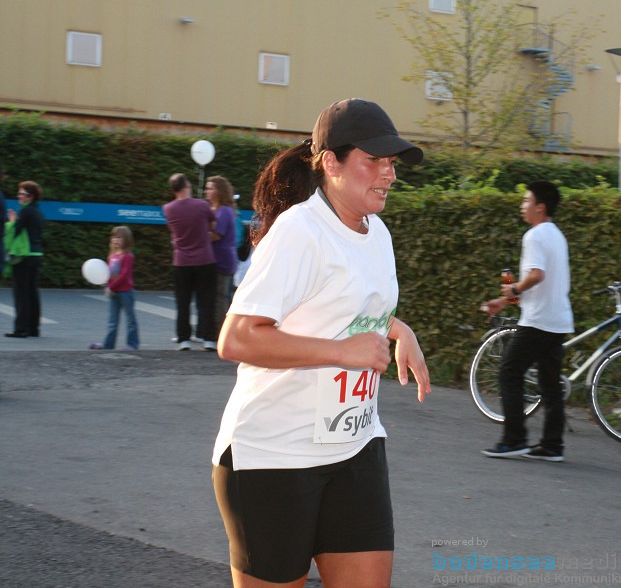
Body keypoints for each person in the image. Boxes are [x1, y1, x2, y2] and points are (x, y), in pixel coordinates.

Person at [211, 98, 430, 588]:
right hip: (274, 456)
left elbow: (347, 303)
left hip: (354, 445)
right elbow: (237, 337)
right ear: (331, 161)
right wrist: (341, 352)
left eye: (391, 162)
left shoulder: (378, 233)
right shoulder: (298, 232)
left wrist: (399, 330)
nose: (388, 173)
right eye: (373, 160)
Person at [480, 180, 574, 462]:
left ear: (540, 207)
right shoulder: (556, 235)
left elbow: (536, 275)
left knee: (509, 373)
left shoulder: (534, 236)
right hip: (558, 319)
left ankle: (514, 439)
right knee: (549, 384)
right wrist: (506, 299)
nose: (522, 206)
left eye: (526, 201)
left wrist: (515, 290)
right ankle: (552, 446)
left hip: (538, 321)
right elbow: (539, 283)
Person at [163, 173, 217, 351]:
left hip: (181, 261)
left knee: (182, 302)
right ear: (186, 185)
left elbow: (173, 231)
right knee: (206, 300)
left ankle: (183, 339)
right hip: (204, 259)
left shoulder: (168, 209)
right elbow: (212, 225)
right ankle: (209, 339)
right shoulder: (202, 205)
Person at [5, 181, 45, 338]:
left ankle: (21, 328)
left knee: (21, 293)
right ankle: (33, 328)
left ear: (30, 196)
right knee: (32, 292)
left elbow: (15, 230)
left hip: (24, 256)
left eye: (21, 194)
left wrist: (11, 222)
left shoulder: (26, 211)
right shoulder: (38, 212)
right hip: (36, 255)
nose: (18, 197)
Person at [89, 226, 139, 350]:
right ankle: (108, 345)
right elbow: (107, 273)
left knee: (130, 320)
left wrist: (110, 287)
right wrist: (107, 285)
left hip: (126, 292)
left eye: (119, 237)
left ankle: (132, 344)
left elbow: (124, 275)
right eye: (114, 237)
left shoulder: (128, 256)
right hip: (114, 292)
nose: (116, 240)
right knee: (112, 321)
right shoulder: (112, 256)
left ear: (126, 240)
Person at [204, 175, 238, 337]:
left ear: (219, 191)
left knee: (220, 300)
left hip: (222, 261)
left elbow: (217, 235)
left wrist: (196, 236)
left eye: (210, 188)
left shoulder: (224, 211)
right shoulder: (214, 209)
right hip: (213, 260)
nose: (207, 191)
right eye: (207, 188)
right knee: (213, 299)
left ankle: (222, 335)